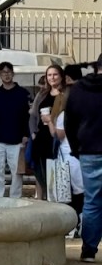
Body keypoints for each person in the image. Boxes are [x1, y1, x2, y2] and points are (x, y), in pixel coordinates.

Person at [62, 53, 102, 263]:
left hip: (88, 151)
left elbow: (69, 123)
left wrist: (76, 148)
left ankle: (88, 250)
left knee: (92, 202)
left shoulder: (78, 90)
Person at [0, 62, 30, 198]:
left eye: (9, 72)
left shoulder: (23, 93)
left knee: (17, 171)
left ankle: (15, 198)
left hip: (17, 139)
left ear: (13, 73)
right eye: (3, 72)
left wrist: (26, 134)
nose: (6, 75)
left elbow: (27, 116)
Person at [50, 65, 85, 237]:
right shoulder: (84, 108)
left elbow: (59, 134)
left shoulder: (65, 114)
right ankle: (81, 224)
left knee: (69, 193)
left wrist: (49, 121)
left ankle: (73, 225)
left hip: (67, 157)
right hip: (82, 154)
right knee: (82, 192)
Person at [28, 64, 65, 199]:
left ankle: (53, 201)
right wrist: (33, 133)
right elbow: (33, 115)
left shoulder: (65, 94)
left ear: (61, 76)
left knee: (55, 175)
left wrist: (51, 120)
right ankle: (43, 198)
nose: (52, 78)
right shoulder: (42, 94)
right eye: (49, 75)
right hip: (41, 138)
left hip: (57, 139)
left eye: (55, 74)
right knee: (39, 171)